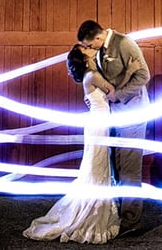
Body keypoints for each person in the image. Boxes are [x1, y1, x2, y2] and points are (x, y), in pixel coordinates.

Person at [23, 44, 142, 244]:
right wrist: (129, 71)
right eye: (86, 50)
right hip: (98, 125)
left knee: (98, 168)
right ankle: (90, 215)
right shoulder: (92, 76)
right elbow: (113, 92)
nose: (90, 50)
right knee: (96, 169)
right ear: (85, 58)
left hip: (98, 124)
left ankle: (97, 208)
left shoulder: (91, 75)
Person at [76, 19, 150, 236]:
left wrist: (118, 96)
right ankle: (119, 213)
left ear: (98, 37)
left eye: (90, 45)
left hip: (132, 114)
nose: (89, 49)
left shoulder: (124, 43)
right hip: (113, 115)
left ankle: (131, 220)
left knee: (129, 166)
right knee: (116, 165)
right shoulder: (97, 54)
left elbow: (144, 75)